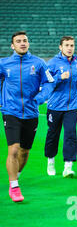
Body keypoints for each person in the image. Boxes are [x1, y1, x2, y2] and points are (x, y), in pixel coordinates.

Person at [0, 31, 54, 202]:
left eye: (25, 41)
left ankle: (16, 176)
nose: (22, 43)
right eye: (18, 41)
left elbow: (49, 83)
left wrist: (40, 98)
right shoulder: (4, 63)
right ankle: (14, 185)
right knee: (13, 149)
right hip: (11, 111)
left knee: (24, 151)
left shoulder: (38, 63)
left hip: (31, 113)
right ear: (12, 45)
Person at [44, 36, 77, 178]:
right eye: (66, 45)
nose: (69, 48)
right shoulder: (53, 63)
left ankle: (68, 166)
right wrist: (59, 77)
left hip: (72, 106)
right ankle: (51, 160)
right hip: (55, 106)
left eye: (72, 45)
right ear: (60, 47)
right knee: (53, 134)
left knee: (71, 133)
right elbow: (46, 83)